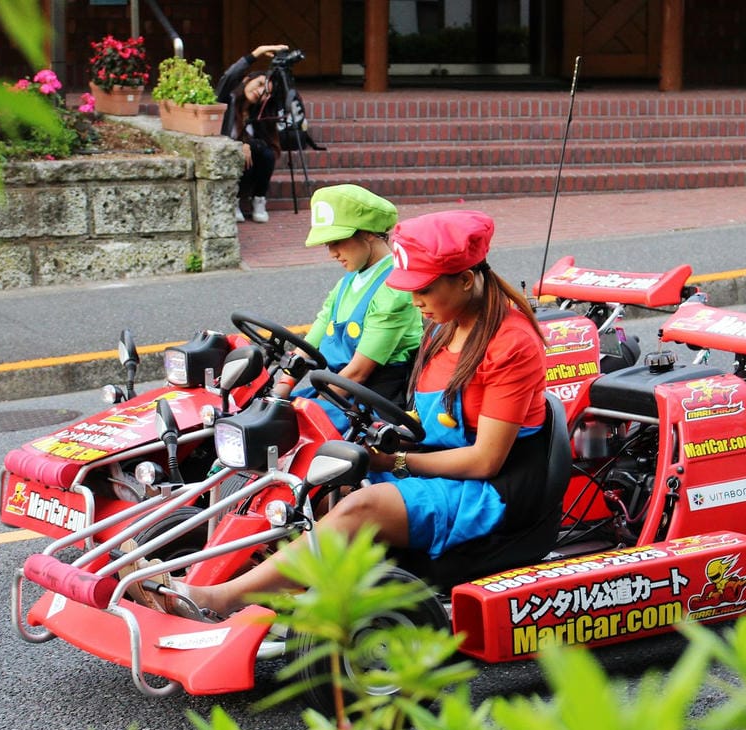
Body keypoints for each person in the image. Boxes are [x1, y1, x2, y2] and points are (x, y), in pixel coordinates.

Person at [141, 209, 550, 620]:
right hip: (439, 464)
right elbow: (422, 419)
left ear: (465, 279)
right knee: (313, 477)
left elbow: (485, 460)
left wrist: (395, 461)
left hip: (492, 490)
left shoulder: (510, 343)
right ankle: (252, 576)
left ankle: (220, 599)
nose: (414, 301)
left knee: (362, 505)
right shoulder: (443, 326)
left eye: (422, 289)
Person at [274, 184, 423, 431]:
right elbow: (309, 344)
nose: (332, 253)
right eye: (327, 244)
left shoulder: (395, 288)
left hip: (373, 401)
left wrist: (312, 412)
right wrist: (281, 390)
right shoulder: (349, 281)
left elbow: (359, 372)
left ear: (368, 233)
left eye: (338, 242)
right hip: (339, 390)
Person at [216, 44, 288, 223]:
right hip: (225, 153)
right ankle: (234, 200)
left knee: (266, 153)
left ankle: (259, 200)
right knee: (243, 152)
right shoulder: (227, 99)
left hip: (251, 164)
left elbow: (266, 144)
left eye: (267, 93)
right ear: (247, 79)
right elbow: (228, 76)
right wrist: (257, 53)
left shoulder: (259, 114)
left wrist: (248, 145)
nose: (260, 92)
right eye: (260, 84)